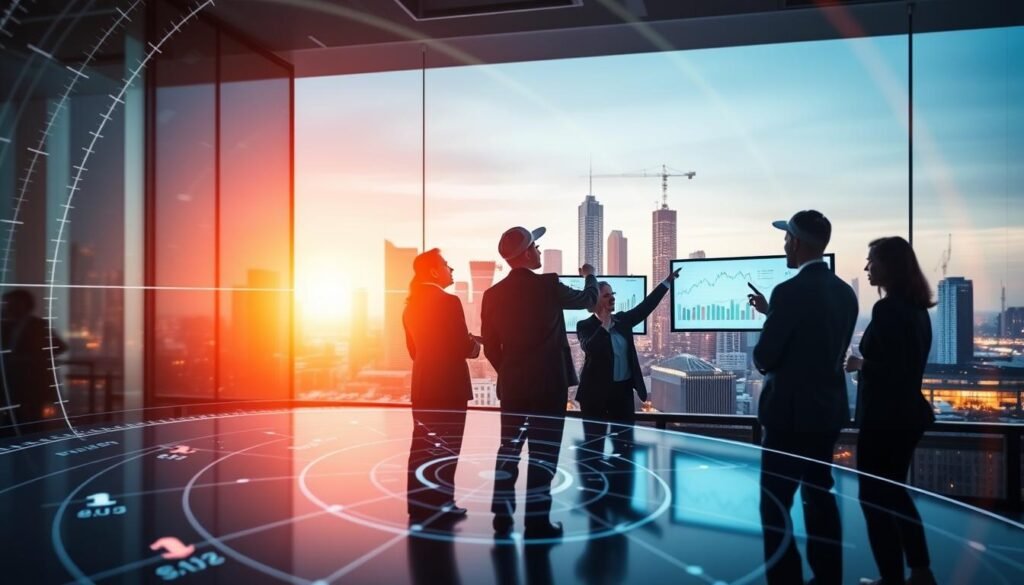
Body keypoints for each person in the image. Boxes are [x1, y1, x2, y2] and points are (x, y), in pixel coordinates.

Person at [748, 210, 858, 585]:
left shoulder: (788, 291)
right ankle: (828, 578)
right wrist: (773, 312)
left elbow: (766, 356)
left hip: (787, 418)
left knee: (775, 505)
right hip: (826, 414)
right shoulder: (845, 293)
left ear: (795, 242)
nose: (783, 245)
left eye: (786, 238)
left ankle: (785, 580)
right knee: (819, 497)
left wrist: (771, 317)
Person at [482, 225, 598, 539]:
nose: (539, 251)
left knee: (508, 450)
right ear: (525, 253)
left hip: (514, 386)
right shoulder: (548, 285)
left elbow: (490, 346)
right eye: (535, 247)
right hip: (549, 385)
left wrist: (508, 370)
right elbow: (589, 300)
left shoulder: (492, 295)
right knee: (543, 454)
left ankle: (501, 519)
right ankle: (536, 523)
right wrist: (590, 274)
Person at [845, 236, 937, 585]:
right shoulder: (917, 310)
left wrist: (859, 364)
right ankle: (920, 570)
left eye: (873, 261)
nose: (867, 267)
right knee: (896, 494)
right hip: (908, 416)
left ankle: (891, 578)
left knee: (874, 499)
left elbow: (892, 370)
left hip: (884, 419)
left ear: (891, 266)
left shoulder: (888, 310)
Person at [403, 249, 481, 525]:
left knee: (422, 446)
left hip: (423, 385)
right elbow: (463, 345)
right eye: (447, 266)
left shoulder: (410, 306)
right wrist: (475, 347)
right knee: (447, 447)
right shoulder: (448, 301)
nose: (452, 270)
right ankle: (443, 505)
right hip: (449, 386)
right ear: (434, 271)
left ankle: (419, 506)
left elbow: (414, 351)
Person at [575, 267, 680, 457]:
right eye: (607, 296)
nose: (612, 298)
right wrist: (605, 324)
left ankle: (621, 485)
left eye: (612, 294)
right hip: (594, 395)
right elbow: (591, 348)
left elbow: (645, 307)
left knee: (624, 445)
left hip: (621, 393)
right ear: (596, 300)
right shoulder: (585, 326)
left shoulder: (623, 320)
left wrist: (666, 283)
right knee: (594, 448)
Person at [1, 289, 68, 434]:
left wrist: (31, 359)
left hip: (31, 387)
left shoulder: (38, 325)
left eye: (12, 303)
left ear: (24, 304)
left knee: (30, 426)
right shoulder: (6, 326)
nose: (8, 306)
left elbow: (60, 346)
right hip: (11, 386)